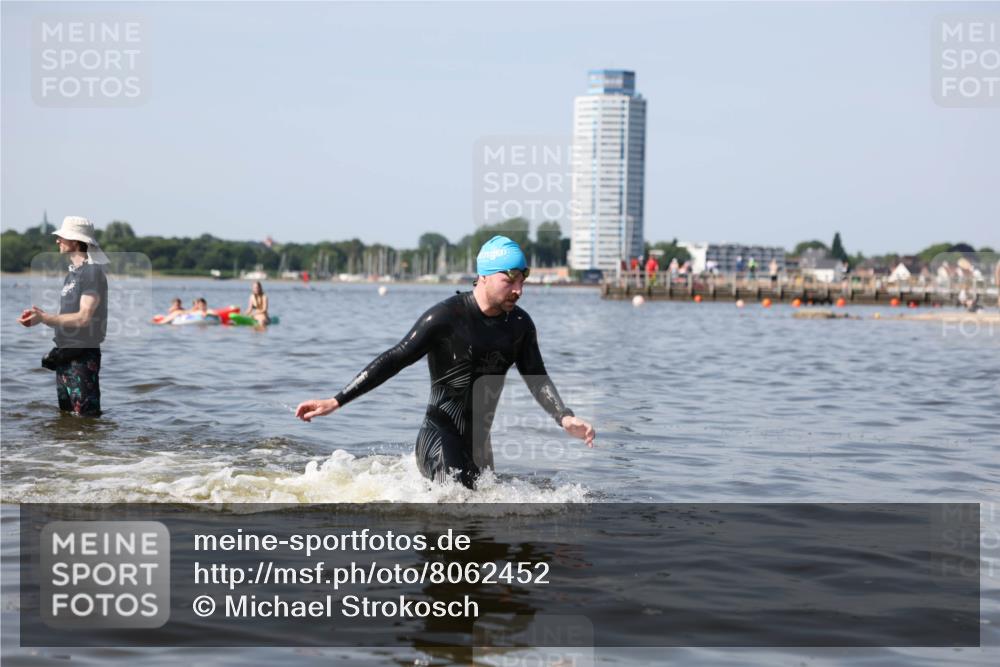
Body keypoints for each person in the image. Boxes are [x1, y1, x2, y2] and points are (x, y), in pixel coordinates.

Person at [295, 235, 595, 488]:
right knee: (455, 514)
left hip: (480, 444)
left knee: (484, 530)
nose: (518, 290)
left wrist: (564, 416)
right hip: (439, 436)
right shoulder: (445, 318)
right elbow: (395, 358)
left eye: (522, 280)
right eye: (510, 280)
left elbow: (536, 376)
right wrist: (336, 401)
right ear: (485, 276)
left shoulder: (520, 325)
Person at [17, 216, 109, 417]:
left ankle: (91, 450)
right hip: (65, 354)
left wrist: (46, 318)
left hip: (83, 356)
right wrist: (38, 319)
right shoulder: (72, 275)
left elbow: (84, 317)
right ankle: (66, 450)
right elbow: (69, 318)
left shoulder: (92, 272)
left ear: (76, 242)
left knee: (86, 419)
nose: (57, 240)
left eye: (62, 237)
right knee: (67, 418)